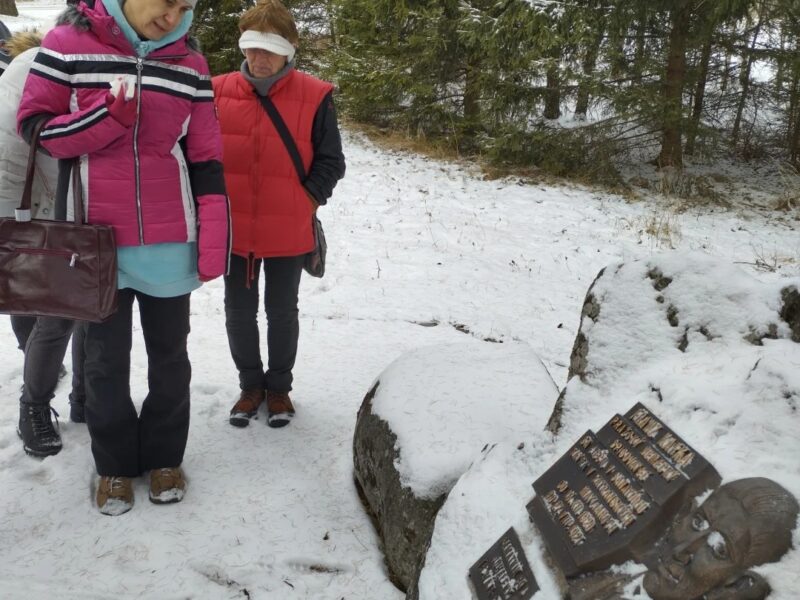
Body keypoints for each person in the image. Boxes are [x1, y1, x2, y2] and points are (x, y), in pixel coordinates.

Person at [18, 0, 230, 515]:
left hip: (169, 241)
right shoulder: (65, 47)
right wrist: (108, 118)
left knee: (171, 360)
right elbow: (39, 133)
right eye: (167, 1)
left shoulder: (191, 65)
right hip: (95, 243)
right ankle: (113, 465)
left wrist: (215, 231)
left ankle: (164, 457)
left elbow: (205, 155)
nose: (175, 13)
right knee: (105, 364)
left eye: (186, 5)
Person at [212, 0, 345, 429]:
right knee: (238, 311)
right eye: (251, 47)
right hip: (234, 229)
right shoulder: (215, 90)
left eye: (268, 48)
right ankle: (250, 387)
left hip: (288, 228)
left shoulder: (315, 95)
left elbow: (331, 160)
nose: (258, 58)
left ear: (289, 48)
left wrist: (306, 200)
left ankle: (280, 389)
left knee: (282, 310)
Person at [0, 29, 87, 460]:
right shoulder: (45, 65)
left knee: (40, 300)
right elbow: (38, 143)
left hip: (45, 205)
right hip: (28, 204)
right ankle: (33, 406)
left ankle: (76, 391)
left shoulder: (42, 61)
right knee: (59, 308)